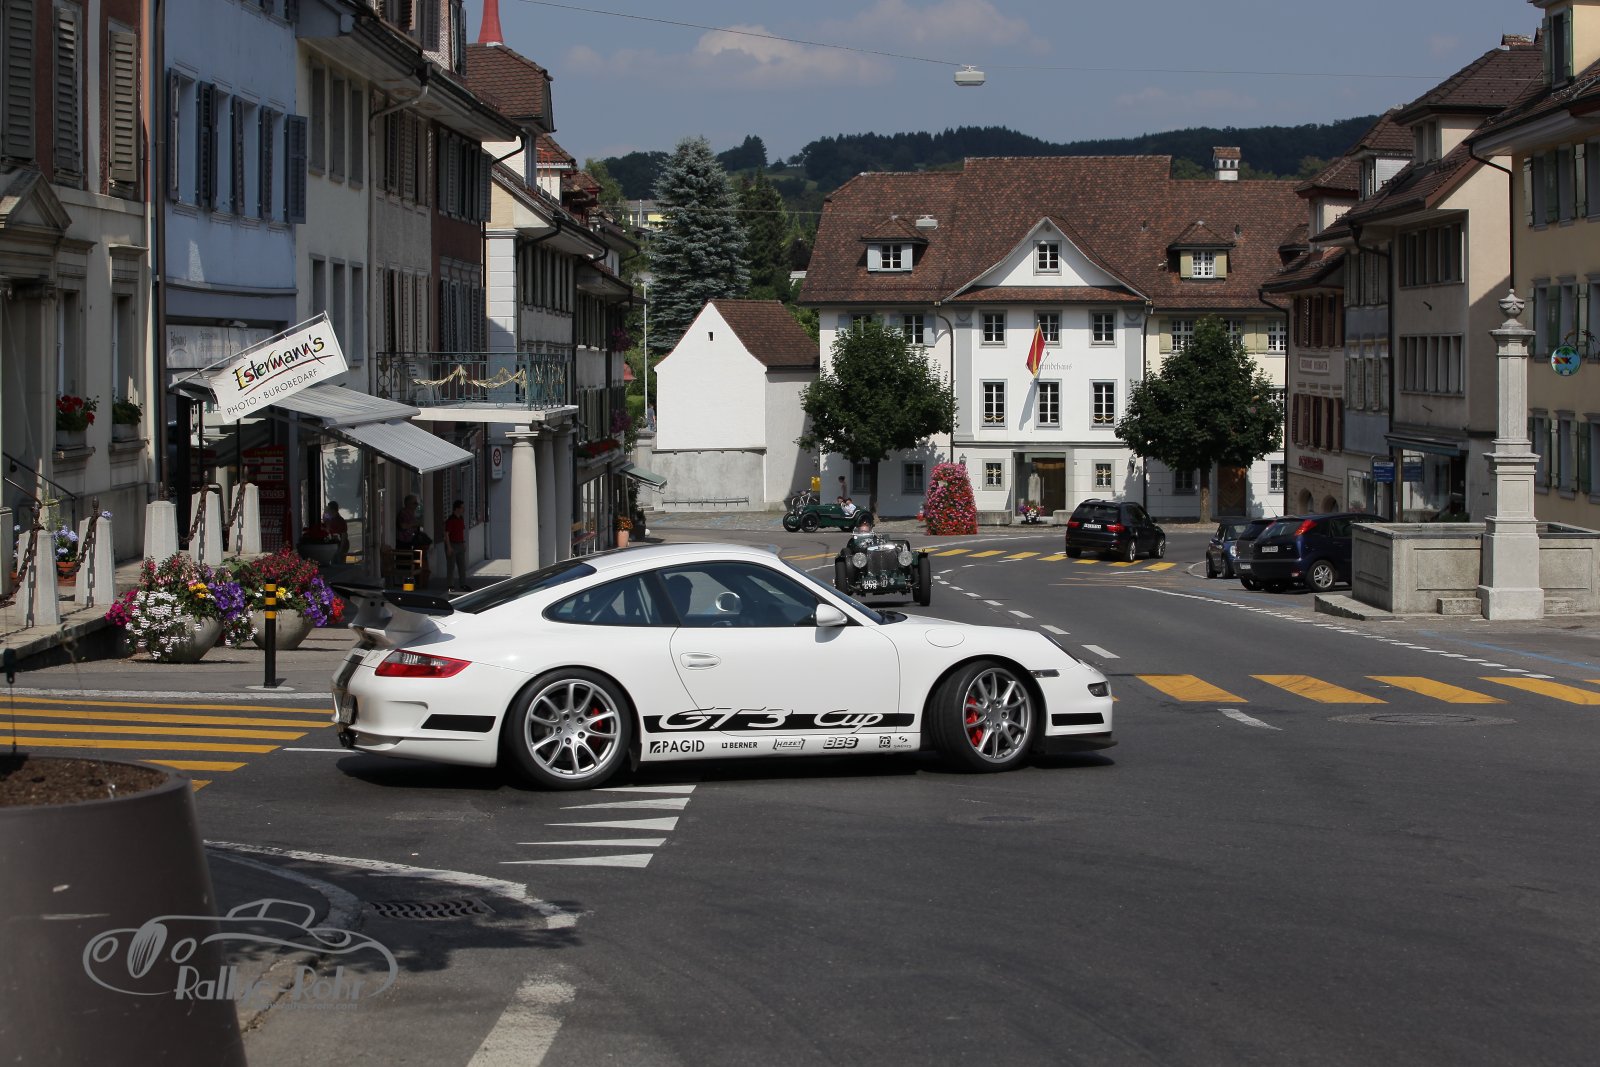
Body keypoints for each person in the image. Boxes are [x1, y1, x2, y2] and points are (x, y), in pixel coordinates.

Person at [443, 499, 468, 591]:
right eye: (462, 508)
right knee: (451, 566)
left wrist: (464, 543)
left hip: (460, 544)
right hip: (452, 544)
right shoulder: (450, 520)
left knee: (462, 566)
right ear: (457, 509)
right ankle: (450, 585)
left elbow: (461, 532)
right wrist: (449, 547)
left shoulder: (461, 519)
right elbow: (446, 534)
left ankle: (463, 584)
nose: (463, 509)